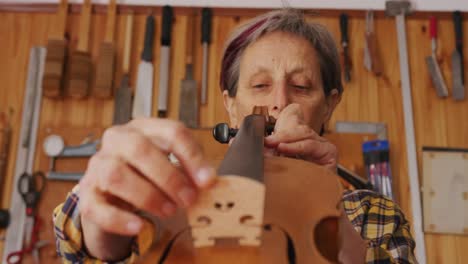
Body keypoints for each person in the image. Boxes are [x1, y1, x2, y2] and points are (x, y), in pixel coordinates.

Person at [53, 8, 417, 263]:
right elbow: (77, 249)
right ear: (230, 105)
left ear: (329, 106)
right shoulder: (169, 185)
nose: (278, 103)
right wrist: (105, 224)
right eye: (259, 85)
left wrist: (324, 198)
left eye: (302, 87)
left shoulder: (375, 212)